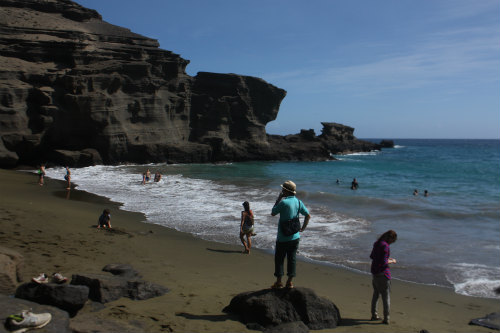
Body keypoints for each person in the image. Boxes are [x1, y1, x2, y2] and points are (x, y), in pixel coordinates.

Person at [271, 180, 311, 289]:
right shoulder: (298, 202)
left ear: (285, 191)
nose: (282, 191)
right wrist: (303, 228)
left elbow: (273, 212)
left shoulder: (284, 202)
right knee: (292, 259)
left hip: (283, 237)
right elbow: (308, 215)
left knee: (279, 259)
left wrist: (278, 199)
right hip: (295, 236)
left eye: (283, 189)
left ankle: (279, 282)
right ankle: (289, 282)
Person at [370, 229, 397, 325]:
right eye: (392, 241)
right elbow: (384, 262)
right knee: (386, 297)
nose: (391, 243)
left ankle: (374, 314)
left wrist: (386, 258)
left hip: (375, 273)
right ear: (390, 238)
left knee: (376, 295)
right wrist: (392, 261)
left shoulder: (377, 243)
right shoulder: (385, 246)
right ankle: (386, 318)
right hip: (383, 274)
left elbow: (372, 256)